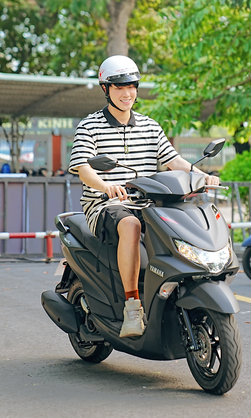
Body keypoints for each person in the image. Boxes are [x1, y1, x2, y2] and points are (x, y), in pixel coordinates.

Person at [68, 55, 220, 338]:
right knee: (131, 225)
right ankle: (132, 307)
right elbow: (83, 168)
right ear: (106, 89)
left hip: (148, 203)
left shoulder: (150, 126)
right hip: (105, 205)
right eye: (119, 87)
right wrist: (106, 186)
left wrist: (202, 176)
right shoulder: (89, 126)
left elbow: (173, 160)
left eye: (132, 86)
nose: (127, 93)